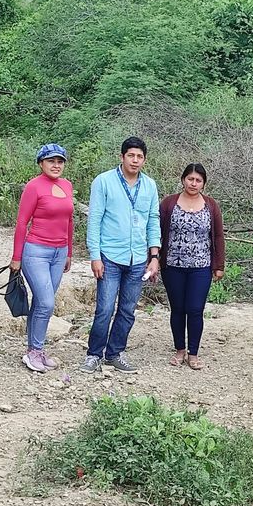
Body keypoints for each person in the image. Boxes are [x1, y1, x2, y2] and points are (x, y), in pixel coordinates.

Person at [80, 136, 161, 374]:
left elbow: (153, 220)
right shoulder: (104, 181)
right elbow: (95, 219)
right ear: (122, 156)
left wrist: (154, 256)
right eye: (131, 155)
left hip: (137, 258)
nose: (135, 160)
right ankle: (94, 354)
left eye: (140, 157)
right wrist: (95, 256)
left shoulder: (149, 185)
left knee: (127, 310)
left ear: (144, 160)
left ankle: (115, 353)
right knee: (105, 308)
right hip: (110, 255)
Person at [10, 143, 73, 372]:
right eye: (51, 161)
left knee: (40, 301)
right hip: (36, 251)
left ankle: (35, 350)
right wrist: (16, 257)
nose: (56, 165)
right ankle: (34, 352)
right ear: (41, 163)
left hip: (59, 253)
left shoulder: (67, 185)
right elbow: (21, 223)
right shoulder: (33, 186)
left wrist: (69, 252)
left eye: (60, 161)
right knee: (46, 302)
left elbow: (69, 221)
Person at [159, 163, 225, 370]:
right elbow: (157, 231)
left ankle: (193, 353)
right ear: (183, 180)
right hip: (172, 265)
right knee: (177, 308)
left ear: (203, 183)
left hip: (201, 266)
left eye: (198, 180)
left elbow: (218, 236)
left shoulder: (211, 205)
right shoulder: (169, 203)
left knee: (195, 309)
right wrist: (153, 258)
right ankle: (180, 350)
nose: (193, 183)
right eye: (190, 179)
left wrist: (219, 265)